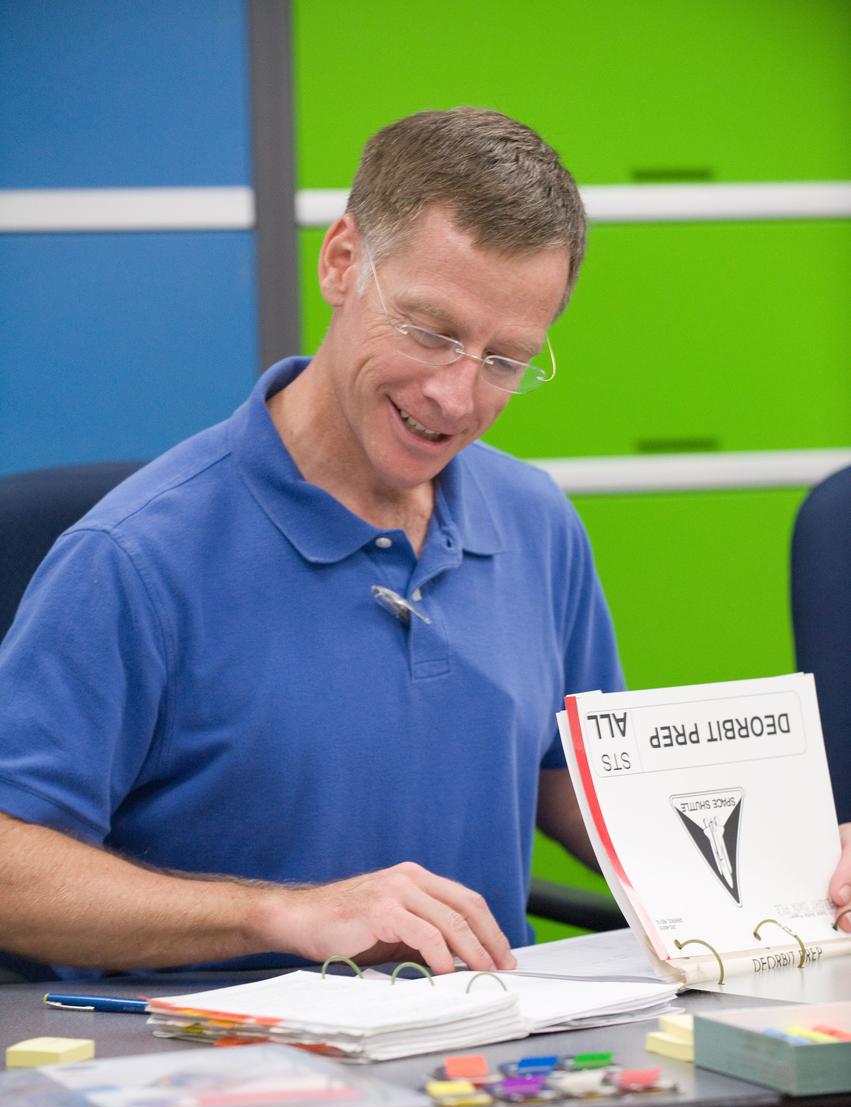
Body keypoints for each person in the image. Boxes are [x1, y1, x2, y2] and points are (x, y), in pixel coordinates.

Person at [1, 110, 849, 981]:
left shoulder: (534, 519)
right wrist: (283, 913)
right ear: (340, 262)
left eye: (504, 359)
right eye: (430, 330)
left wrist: (807, 861)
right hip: (228, 1072)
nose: (455, 396)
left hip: (491, 1065)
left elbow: (579, 787)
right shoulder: (132, 557)